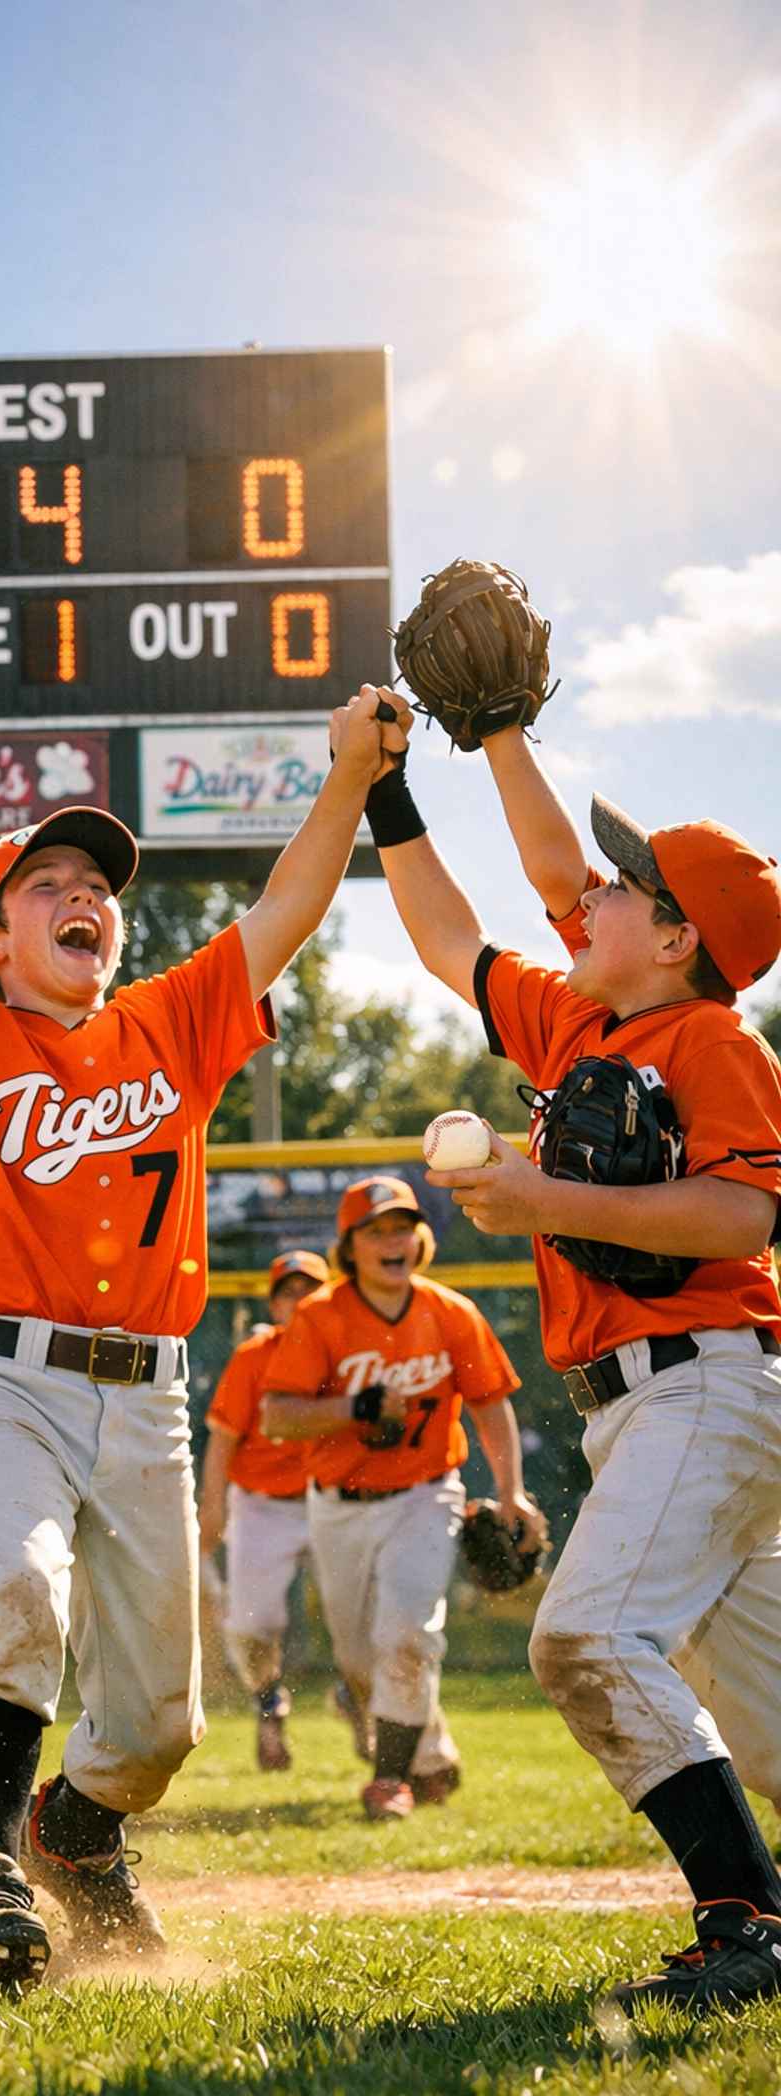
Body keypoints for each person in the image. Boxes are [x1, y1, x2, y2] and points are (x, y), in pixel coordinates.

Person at [0, 682, 387, 1989]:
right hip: (0, 1373)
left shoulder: (169, 1023)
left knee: (158, 1724)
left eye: (98, 882)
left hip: (150, 1401)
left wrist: (344, 773)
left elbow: (286, 912)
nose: (85, 894)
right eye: (47, 882)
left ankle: (74, 1837)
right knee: (11, 1583)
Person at [364, 691, 781, 2005]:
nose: (592, 889)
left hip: (706, 1382)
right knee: (769, 1721)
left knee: (583, 1641)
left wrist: (547, 1204)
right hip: (646, 1411)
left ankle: (744, 1927)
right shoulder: (578, 1021)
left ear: (675, 938)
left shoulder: (712, 1037)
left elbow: (744, 1213)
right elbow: (451, 934)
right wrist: (395, 786)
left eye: (628, 884)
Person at [258, 1176, 542, 1819]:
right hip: (338, 1505)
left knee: (409, 1634)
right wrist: (352, 1407)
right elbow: (277, 1415)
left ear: (421, 1240)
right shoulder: (321, 1316)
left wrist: (512, 1494)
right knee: (361, 1659)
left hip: (425, 1493)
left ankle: (390, 1780)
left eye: (402, 1228)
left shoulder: (449, 1312)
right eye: (376, 1230)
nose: (393, 1241)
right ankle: (411, 1737)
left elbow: (491, 1405)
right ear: (349, 1247)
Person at [198, 1249, 328, 1769]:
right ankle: (267, 1698)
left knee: (363, 1626)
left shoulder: (342, 1352)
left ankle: (364, 1705)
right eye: (288, 1292)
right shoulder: (255, 1355)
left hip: (329, 1502)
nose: (299, 1302)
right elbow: (223, 1441)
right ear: (274, 1304)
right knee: (250, 1628)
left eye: (310, 1291)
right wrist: (214, 1506)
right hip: (260, 1506)